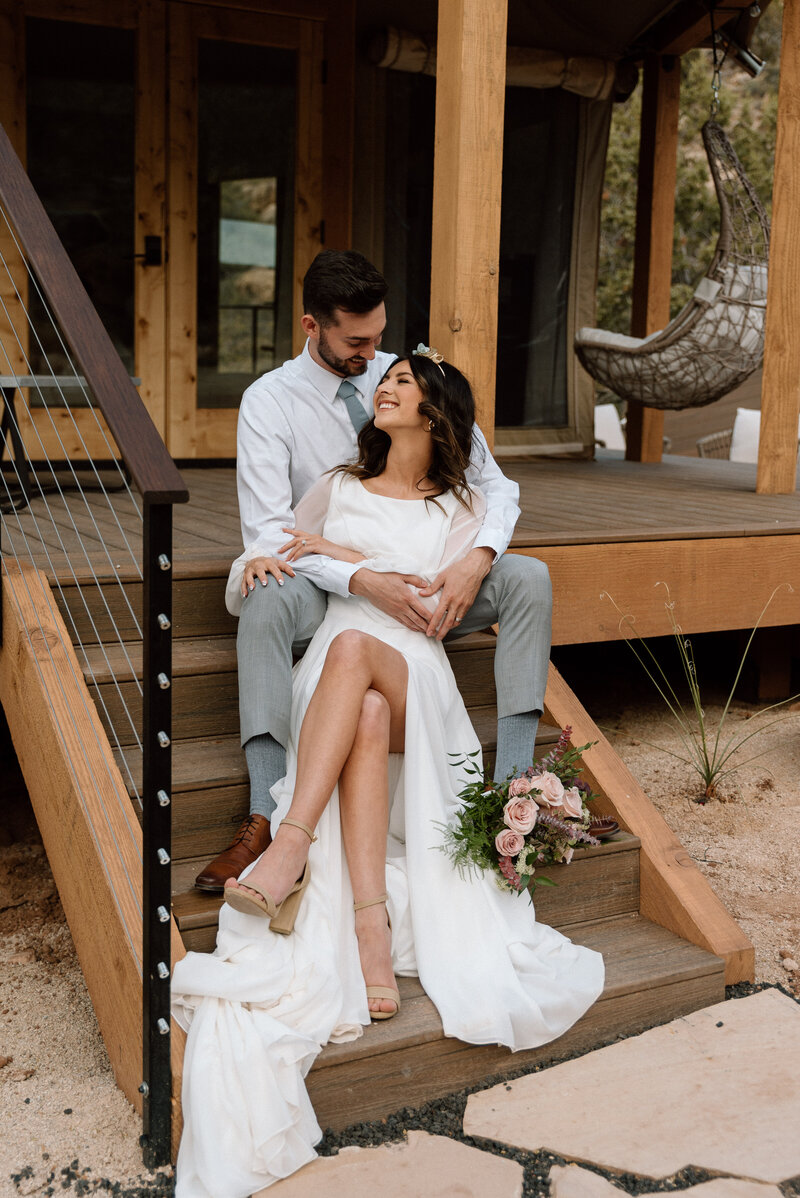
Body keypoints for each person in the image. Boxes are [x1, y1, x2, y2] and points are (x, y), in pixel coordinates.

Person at [171, 351, 604, 1198]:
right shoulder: (336, 483)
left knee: (361, 649)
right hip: (342, 691)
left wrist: (371, 566)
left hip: (420, 685)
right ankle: (371, 929)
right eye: (387, 382)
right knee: (357, 697)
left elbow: (428, 601)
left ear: (435, 415)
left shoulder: (463, 506)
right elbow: (266, 555)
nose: (386, 390)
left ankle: (288, 841)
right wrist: (264, 567)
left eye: (402, 384)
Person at [194, 249, 552, 893]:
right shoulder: (269, 402)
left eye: (380, 337)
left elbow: (495, 488)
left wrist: (478, 558)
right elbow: (273, 537)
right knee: (267, 594)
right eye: (357, 342)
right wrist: (362, 578)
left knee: (528, 577)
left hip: (428, 581)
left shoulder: (412, 380)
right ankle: (263, 815)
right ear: (312, 326)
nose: (375, 357)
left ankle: (519, 789)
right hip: (324, 586)